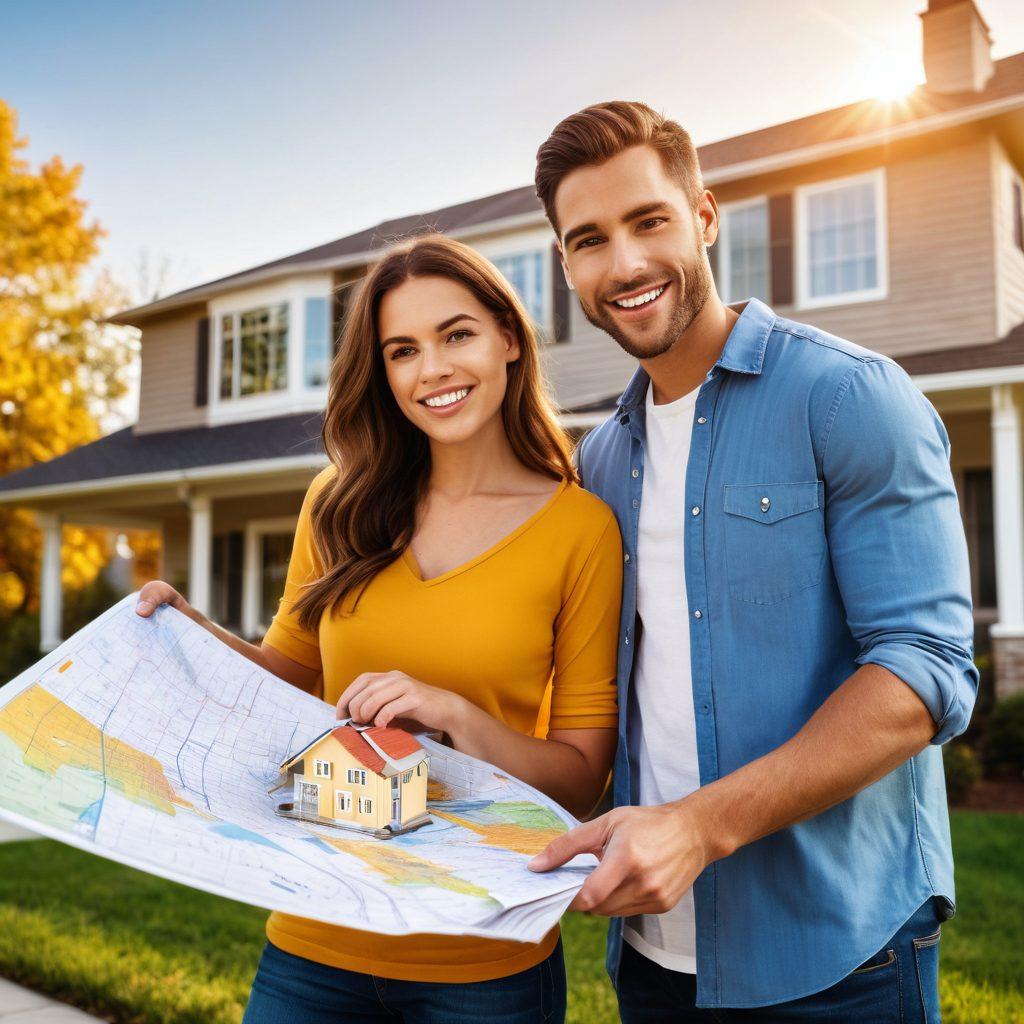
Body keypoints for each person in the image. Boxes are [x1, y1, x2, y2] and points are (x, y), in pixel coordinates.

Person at [526, 101, 977, 1023]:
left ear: (703, 216)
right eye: (589, 240)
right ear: (565, 265)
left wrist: (698, 828)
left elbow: (925, 673)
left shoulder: (849, 398)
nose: (626, 264)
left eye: (648, 220)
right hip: (653, 962)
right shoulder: (600, 465)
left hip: (841, 955)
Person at [134, 234, 623, 1024]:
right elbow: (285, 679)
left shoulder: (582, 530)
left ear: (507, 337)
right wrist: (191, 630)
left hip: (485, 959)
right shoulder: (339, 502)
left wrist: (456, 715)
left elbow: (579, 780)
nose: (432, 369)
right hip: (315, 941)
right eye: (403, 350)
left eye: (456, 334)